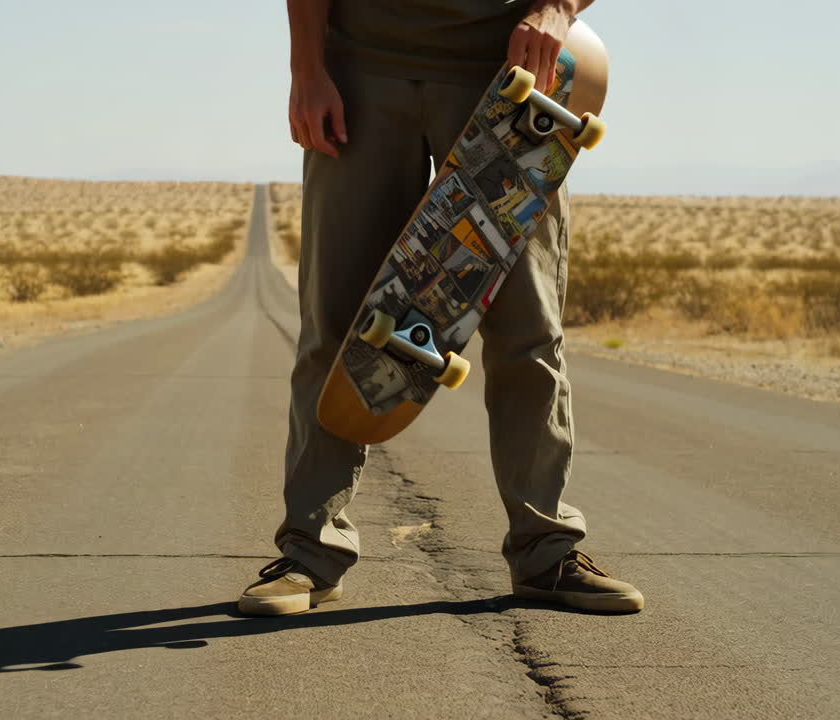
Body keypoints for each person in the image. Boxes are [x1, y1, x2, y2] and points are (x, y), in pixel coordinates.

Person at [239, 0, 643, 616]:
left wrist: (558, 9)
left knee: (528, 333)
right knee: (336, 324)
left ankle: (545, 549)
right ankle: (310, 552)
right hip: (359, 75)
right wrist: (307, 70)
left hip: (512, 75)